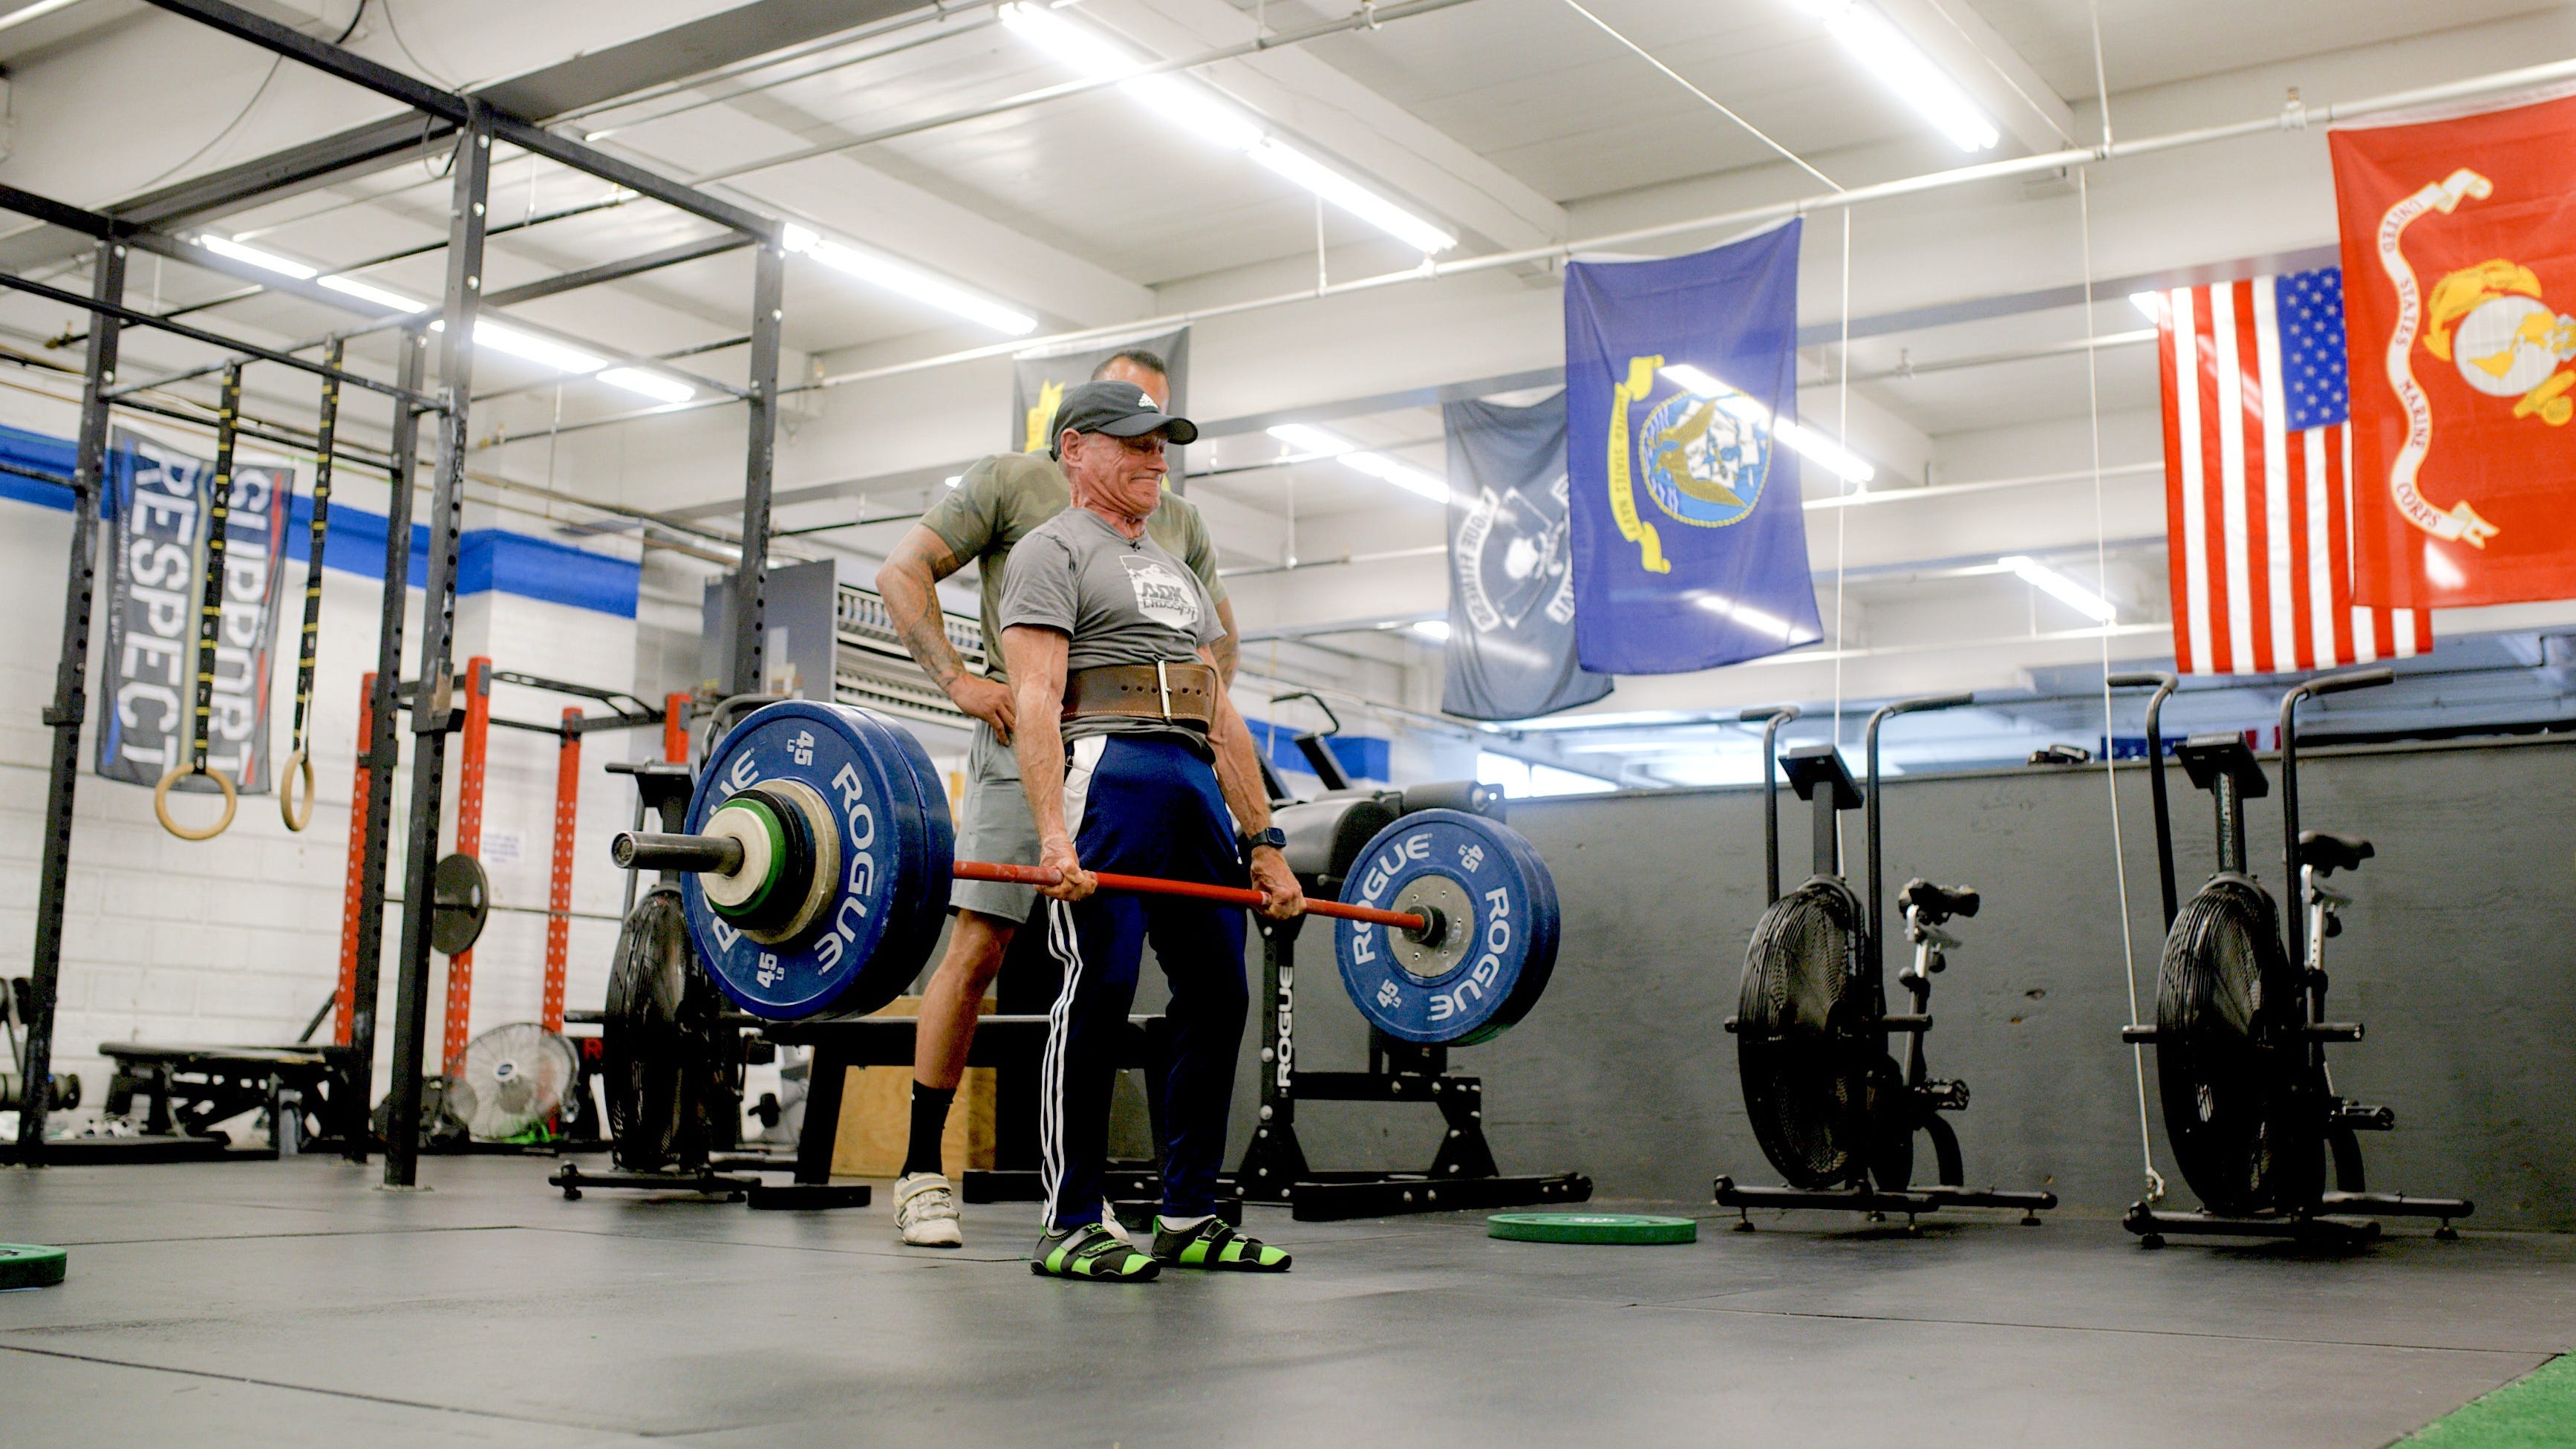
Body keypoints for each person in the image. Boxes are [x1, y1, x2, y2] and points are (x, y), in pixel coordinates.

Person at [875, 351, 1236, 1248]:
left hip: (1133, 756)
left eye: (1158, 416)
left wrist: (1186, 727)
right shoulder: (1009, 482)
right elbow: (901, 572)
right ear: (1080, 427)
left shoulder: (1176, 521)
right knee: (981, 942)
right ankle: (924, 1168)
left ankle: (1118, 1196)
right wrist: (958, 681)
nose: (1149, 434)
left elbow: (1217, 646)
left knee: (1140, 970)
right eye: (1129, 414)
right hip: (1019, 738)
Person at [996, 379, 1301, 1280]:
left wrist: (1264, 840)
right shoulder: (1050, 551)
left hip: (1189, 784)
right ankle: (1070, 1218)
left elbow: (1222, 714)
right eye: (1133, 441)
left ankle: (1188, 1213)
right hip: (1108, 775)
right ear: (1075, 450)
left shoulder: (1172, 567)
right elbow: (1038, 698)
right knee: (1100, 985)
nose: (1154, 456)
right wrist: (1053, 834)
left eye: (1161, 442)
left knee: (1219, 993)